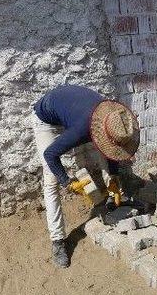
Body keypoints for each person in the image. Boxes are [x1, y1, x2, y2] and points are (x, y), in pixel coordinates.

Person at [29, 85, 140, 267]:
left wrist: (113, 178)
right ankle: (57, 241)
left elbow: (112, 151)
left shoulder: (113, 118)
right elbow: (51, 154)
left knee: (101, 156)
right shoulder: (83, 128)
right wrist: (67, 182)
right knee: (51, 179)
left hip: (71, 111)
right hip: (45, 119)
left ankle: (111, 199)